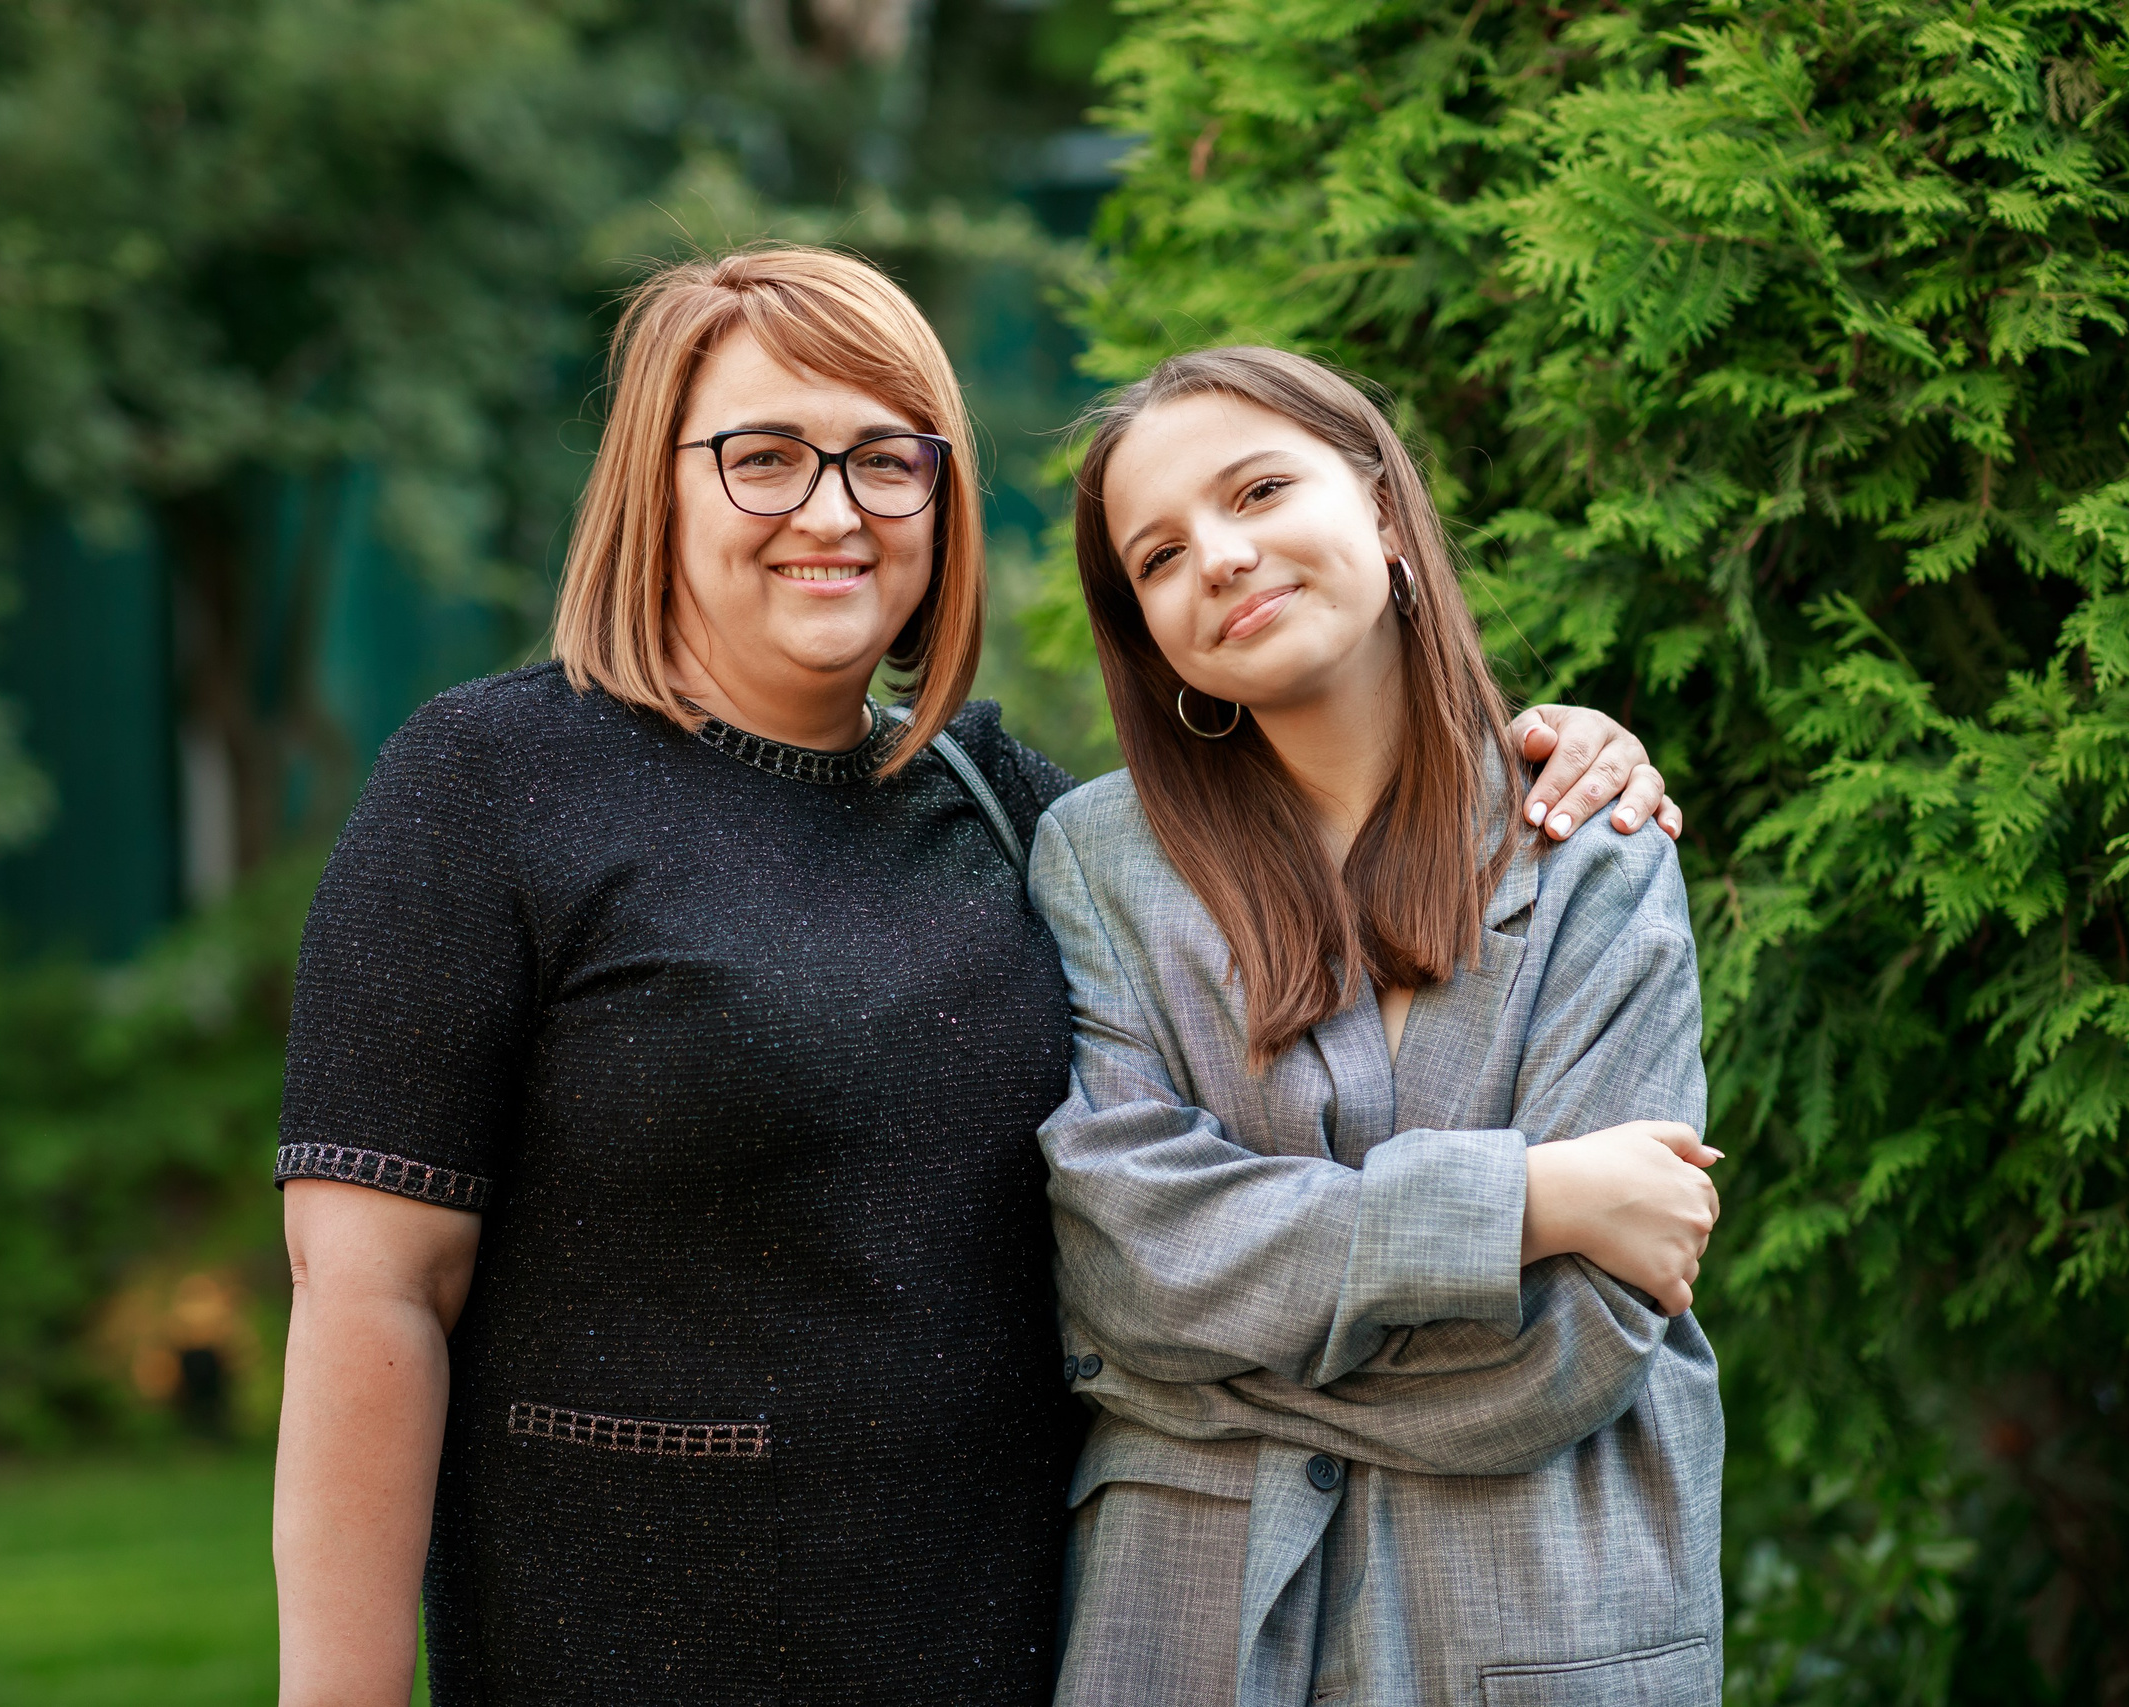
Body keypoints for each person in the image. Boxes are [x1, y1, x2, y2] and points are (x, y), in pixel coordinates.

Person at [268, 247, 1678, 1707]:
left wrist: (1544, 754)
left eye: (890, 461)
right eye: (764, 458)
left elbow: (1300, 809)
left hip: (1002, 1637)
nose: (833, 511)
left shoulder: (1008, 806)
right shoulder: (492, 782)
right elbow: (371, 1291)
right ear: (656, 485)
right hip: (632, 1635)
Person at [1034, 346, 1724, 1706]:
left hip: (1536, 1615)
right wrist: (1528, 1200)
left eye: (1258, 491)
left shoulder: (1591, 848)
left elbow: (1579, 1341)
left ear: (1385, 514)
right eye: (1159, 557)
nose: (1218, 559)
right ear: (1150, 632)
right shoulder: (1097, 863)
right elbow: (1126, 1261)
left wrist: (1210, 1378)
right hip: (1187, 1628)